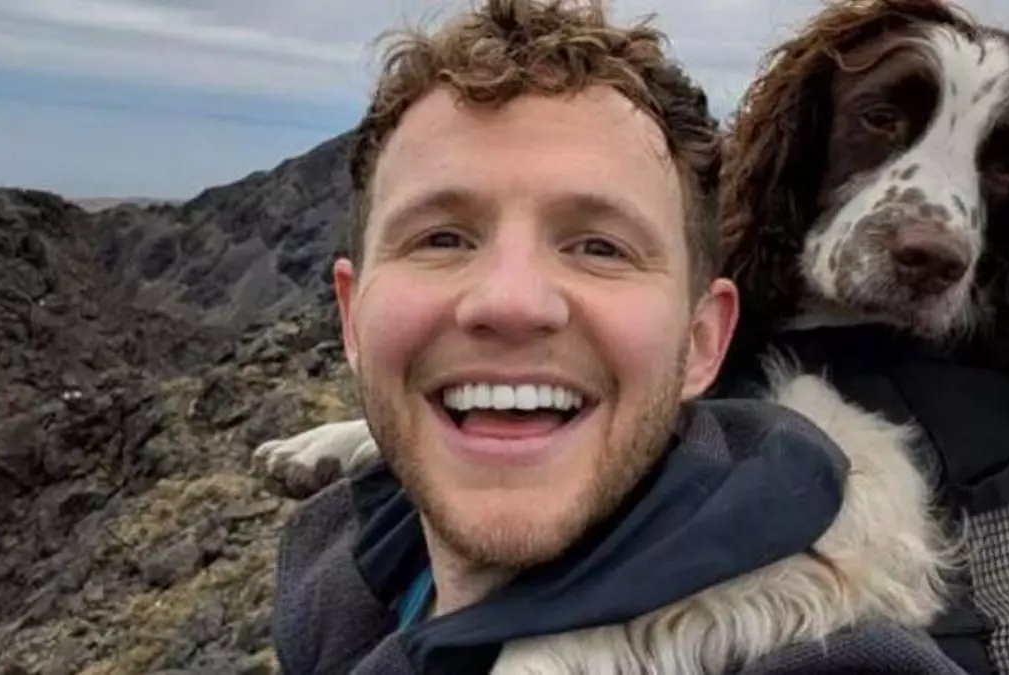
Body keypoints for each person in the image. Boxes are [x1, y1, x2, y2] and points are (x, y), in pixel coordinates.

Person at [269, 1, 964, 673]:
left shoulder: (833, 650)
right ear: (351, 317)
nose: (512, 302)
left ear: (702, 341)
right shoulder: (337, 579)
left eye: (600, 247)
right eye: (442, 238)